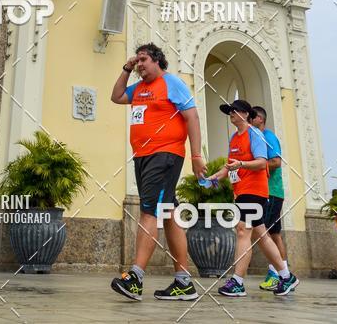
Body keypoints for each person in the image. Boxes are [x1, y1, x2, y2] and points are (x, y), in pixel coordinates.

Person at [109, 43, 206, 301]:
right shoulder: (139, 88)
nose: (139, 64)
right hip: (143, 156)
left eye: (143, 60)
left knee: (149, 209)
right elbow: (116, 96)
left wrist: (196, 156)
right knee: (168, 213)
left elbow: (192, 117)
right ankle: (184, 282)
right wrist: (126, 69)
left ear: (157, 61)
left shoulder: (171, 83)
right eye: (137, 60)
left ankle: (136, 278)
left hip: (165, 155)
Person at [212, 99, 299, 298]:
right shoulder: (234, 138)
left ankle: (237, 282)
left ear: (244, 114)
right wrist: (214, 177)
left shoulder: (255, 134)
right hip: (241, 191)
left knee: (243, 230)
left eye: (233, 111)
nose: (231, 114)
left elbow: (261, 163)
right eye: (229, 112)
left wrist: (241, 164)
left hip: (255, 190)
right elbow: (229, 166)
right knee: (261, 235)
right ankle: (286, 277)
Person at [250, 106, 287, 291]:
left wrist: (255, 167)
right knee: (274, 234)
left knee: (268, 233)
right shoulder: (254, 137)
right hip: (267, 192)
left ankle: (276, 274)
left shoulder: (269, 137)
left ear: (260, 119)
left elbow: (276, 161)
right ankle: (283, 273)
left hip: (272, 192)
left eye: (251, 117)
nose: (248, 120)